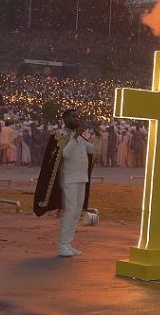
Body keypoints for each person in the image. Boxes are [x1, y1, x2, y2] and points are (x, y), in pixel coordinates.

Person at [32, 109, 102, 257]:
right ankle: (62, 246)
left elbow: (94, 150)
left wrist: (97, 136)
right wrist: (75, 137)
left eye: (78, 116)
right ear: (65, 119)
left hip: (82, 178)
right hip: (69, 179)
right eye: (74, 117)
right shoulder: (59, 135)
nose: (77, 119)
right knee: (69, 212)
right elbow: (64, 155)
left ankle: (68, 244)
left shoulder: (81, 137)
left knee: (76, 213)